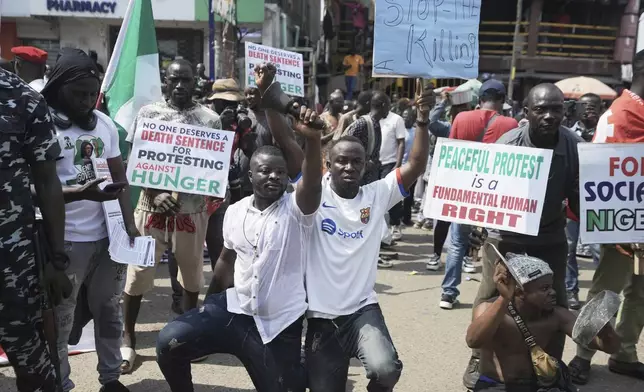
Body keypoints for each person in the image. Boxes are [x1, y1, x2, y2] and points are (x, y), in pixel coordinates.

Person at [156, 61, 322, 392]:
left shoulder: (297, 210)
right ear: (250, 176)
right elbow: (225, 262)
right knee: (169, 341)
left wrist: (314, 142)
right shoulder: (235, 211)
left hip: (278, 324)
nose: (273, 175)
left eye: (279, 171)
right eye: (264, 171)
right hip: (235, 311)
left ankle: (308, 370)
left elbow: (313, 182)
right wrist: (208, 305)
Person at [304, 81, 432, 391]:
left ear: (366, 166)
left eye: (356, 162)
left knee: (386, 369)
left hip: (362, 310)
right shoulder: (312, 196)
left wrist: (423, 121)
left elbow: (415, 165)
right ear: (328, 165)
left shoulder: (377, 196)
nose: (349, 167)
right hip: (321, 317)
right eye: (342, 161)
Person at [463, 83, 583, 390]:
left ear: (564, 112)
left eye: (556, 109)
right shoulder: (509, 143)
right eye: (541, 109)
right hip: (507, 235)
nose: (549, 115)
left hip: (550, 234)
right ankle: (480, 357)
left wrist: (604, 222)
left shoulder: (574, 146)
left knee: (555, 298)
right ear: (526, 113)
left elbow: (578, 197)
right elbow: (485, 193)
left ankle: (549, 364)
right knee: (492, 294)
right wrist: (477, 227)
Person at [40, 48, 139, 392]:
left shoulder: (106, 124)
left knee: (109, 310)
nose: (85, 101)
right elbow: (35, 191)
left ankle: (110, 379)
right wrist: (80, 193)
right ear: (57, 86)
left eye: (91, 94)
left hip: (107, 240)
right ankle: (62, 383)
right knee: (61, 319)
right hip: (63, 240)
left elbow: (118, 178)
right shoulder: (41, 124)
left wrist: (128, 224)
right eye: (77, 93)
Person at [121, 59, 222, 374]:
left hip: (190, 213)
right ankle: (128, 339)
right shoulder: (148, 115)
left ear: (196, 82)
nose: (180, 86)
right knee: (137, 275)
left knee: (192, 277)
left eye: (186, 80)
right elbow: (135, 162)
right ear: (165, 81)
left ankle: (187, 337)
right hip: (150, 211)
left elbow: (212, 169)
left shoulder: (210, 120)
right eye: (174, 80)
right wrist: (154, 194)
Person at [567, 50, 644, 384]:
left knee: (641, 292)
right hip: (623, 228)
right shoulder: (619, 115)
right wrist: (615, 226)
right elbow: (601, 175)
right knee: (605, 293)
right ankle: (582, 355)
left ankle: (624, 353)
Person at [0, 65, 71, 392]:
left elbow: (47, 182)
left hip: (12, 262)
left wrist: (57, 260)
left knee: (32, 365)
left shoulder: (21, 96)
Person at [466, 256, 620, 392]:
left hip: (539, 385)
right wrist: (504, 299)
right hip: (497, 385)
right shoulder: (489, 309)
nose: (553, 292)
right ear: (519, 291)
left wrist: (605, 330)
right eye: (544, 288)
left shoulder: (556, 315)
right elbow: (473, 341)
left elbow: (607, 347)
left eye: (551, 287)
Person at [439, 80, 519, 310]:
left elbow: (450, 155)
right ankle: (492, 295)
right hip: (495, 192)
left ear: (479, 99)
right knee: (493, 244)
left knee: (457, 243)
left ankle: (448, 293)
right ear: (502, 100)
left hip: (465, 191)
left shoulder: (461, 119)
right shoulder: (511, 123)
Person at [564, 92, 603, 310]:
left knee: (599, 251)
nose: (589, 110)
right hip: (572, 201)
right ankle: (571, 291)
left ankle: (600, 296)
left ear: (601, 108)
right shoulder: (567, 133)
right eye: (584, 106)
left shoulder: (606, 133)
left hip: (598, 201)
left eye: (593, 106)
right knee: (568, 249)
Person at [344, 91, 390, 186]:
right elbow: (345, 148)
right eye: (388, 106)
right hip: (358, 181)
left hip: (370, 181)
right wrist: (364, 163)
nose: (389, 110)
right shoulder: (362, 123)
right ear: (383, 105)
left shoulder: (376, 125)